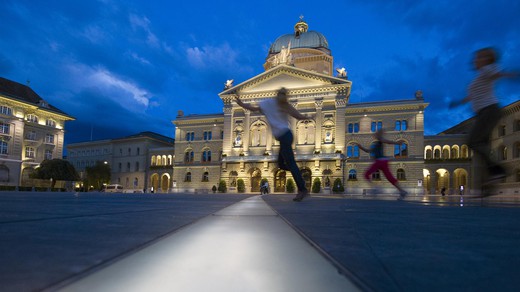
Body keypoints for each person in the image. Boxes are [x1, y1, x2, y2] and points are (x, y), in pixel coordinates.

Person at [450, 47, 518, 185]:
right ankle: (489, 183)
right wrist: (458, 102)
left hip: (489, 111)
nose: (475, 60)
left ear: (486, 59)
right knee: (482, 147)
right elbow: (472, 95)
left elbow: (497, 74)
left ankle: (498, 169)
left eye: (479, 57)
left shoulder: (488, 69)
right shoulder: (480, 76)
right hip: (484, 113)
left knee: (473, 142)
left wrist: (510, 74)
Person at [234, 87, 311, 202]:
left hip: (286, 136)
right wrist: (241, 104)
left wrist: (307, 117)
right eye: (281, 94)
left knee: (290, 162)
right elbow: (253, 109)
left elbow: (297, 115)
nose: (283, 96)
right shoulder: (269, 105)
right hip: (282, 138)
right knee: (280, 164)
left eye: (284, 94)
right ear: (277, 95)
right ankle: (298, 173)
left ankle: (302, 189)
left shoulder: (285, 106)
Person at [354, 129, 408, 199]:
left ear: (378, 134)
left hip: (380, 161)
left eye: (376, 134)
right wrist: (360, 147)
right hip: (384, 161)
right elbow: (368, 151)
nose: (374, 135)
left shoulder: (380, 140)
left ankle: (374, 188)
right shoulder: (376, 144)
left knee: (366, 174)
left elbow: (387, 142)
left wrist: (397, 143)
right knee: (389, 177)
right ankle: (402, 191)